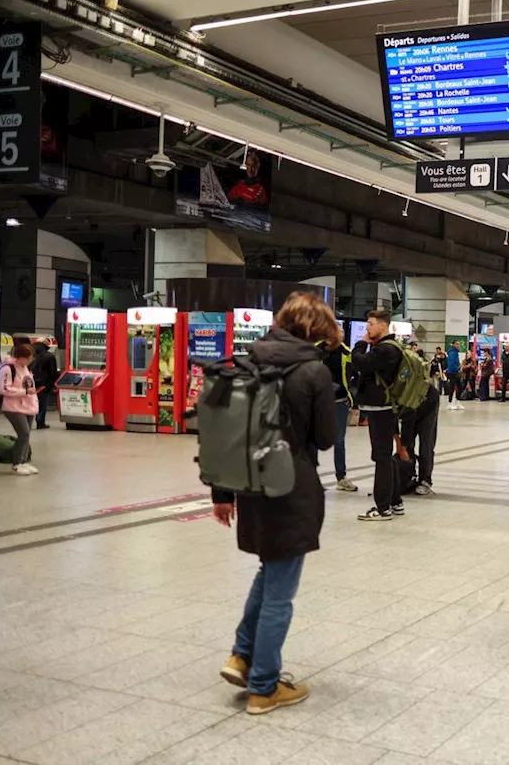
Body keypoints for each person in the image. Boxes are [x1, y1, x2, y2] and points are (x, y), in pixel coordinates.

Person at [213, 292, 337, 715]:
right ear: (313, 331)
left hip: (250, 483)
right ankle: (265, 687)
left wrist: (221, 494)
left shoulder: (245, 362)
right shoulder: (313, 371)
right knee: (281, 592)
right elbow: (325, 438)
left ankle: (241, 657)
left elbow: (223, 431)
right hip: (292, 486)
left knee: (269, 571)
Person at [351, 310, 409, 522]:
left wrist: (361, 343)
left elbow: (359, 362)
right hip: (385, 407)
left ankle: (382, 507)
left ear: (382, 326)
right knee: (385, 454)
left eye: (370, 324)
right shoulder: (387, 348)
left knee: (382, 456)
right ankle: (395, 502)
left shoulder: (385, 349)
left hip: (381, 408)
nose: (367, 329)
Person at [320, 333, 357, 492]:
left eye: (341, 332)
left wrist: (351, 395)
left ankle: (341, 477)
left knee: (339, 440)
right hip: (318, 401)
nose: (339, 334)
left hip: (340, 401)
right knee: (312, 440)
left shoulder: (346, 352)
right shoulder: (315, 351)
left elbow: (355, 374)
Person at [0, 344, 39, 475]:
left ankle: (24, 461)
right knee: (24, 433)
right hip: (13, 407)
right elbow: (4, 388)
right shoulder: (8, 369)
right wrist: (24, 392)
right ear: (20, 357)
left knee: (26, 435)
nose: (30, 361)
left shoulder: (25, 368)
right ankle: (17, 463)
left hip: (28, 406)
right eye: (29, 358)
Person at [399, 370, 440, 499]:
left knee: (426, 444)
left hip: (429, 404)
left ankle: (425, 480)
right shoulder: (394, 387)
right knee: (408, 443)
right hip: (411, 407)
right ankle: (408, 476)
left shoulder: (407, 388)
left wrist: (403, 445)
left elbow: (408, 419)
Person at [30, 340, 58, 430]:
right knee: (42, 403)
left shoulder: (30, 355)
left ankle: (28, 422)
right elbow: (52, 372)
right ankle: (40, 422)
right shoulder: (49, 356)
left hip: (30, 382)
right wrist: (53, 383)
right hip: (44, 383)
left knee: (30, 402)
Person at [445, 340, 464, 409]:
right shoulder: (452, 353)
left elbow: (455, 363)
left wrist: (459, 366)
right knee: (452, 388)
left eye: (459, 344)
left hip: (456, 372)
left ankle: (457, 402)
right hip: (452, 373)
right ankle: (450, 404)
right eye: (456, 344)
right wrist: (457, 368)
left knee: (460, 387)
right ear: (453, 345)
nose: (458, 345)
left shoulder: (456, 353)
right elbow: (450, 364)